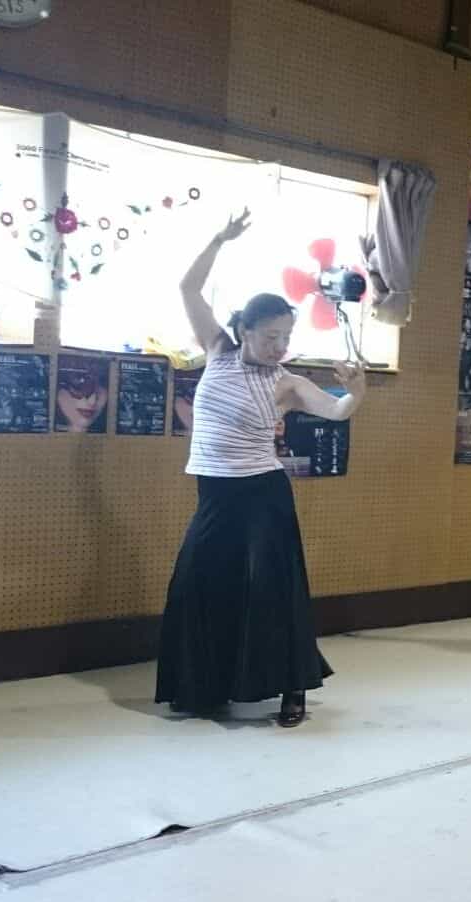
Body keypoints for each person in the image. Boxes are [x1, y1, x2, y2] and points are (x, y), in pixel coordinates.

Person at [155, 210, 368, 727]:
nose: (280, 346)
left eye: (286, 336)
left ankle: (293, 687)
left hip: (262, 494)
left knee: (273, 587)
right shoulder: (218, 351)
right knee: (198, 582)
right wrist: (219, 239)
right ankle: (207, 687)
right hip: (214, 493)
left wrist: (358, 391)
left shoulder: (287, 383)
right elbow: (188, 288)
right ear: (244, 330)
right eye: (271, 336)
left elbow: (338, 410)